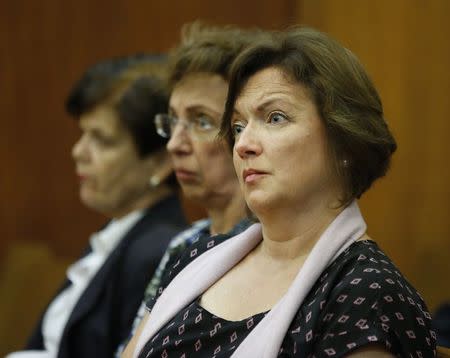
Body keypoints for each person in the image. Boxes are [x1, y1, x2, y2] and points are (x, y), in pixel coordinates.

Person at [123, 27, 436, 357]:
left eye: (275, 118)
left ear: (345, 139)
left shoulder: (367, 292)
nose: (243, 145)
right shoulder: (199, 257)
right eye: (238, 127)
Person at [8, 55, 188, 358]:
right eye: (83, 133)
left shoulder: (155, 250)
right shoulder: (120, 230)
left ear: (160, 161)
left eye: (102, 141)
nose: (78, 152)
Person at [115, 23, 263, 356]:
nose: (175, 145)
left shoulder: (268, 253)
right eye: (172, 121)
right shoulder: (185, 243)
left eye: (201, 121)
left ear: (245, 132)